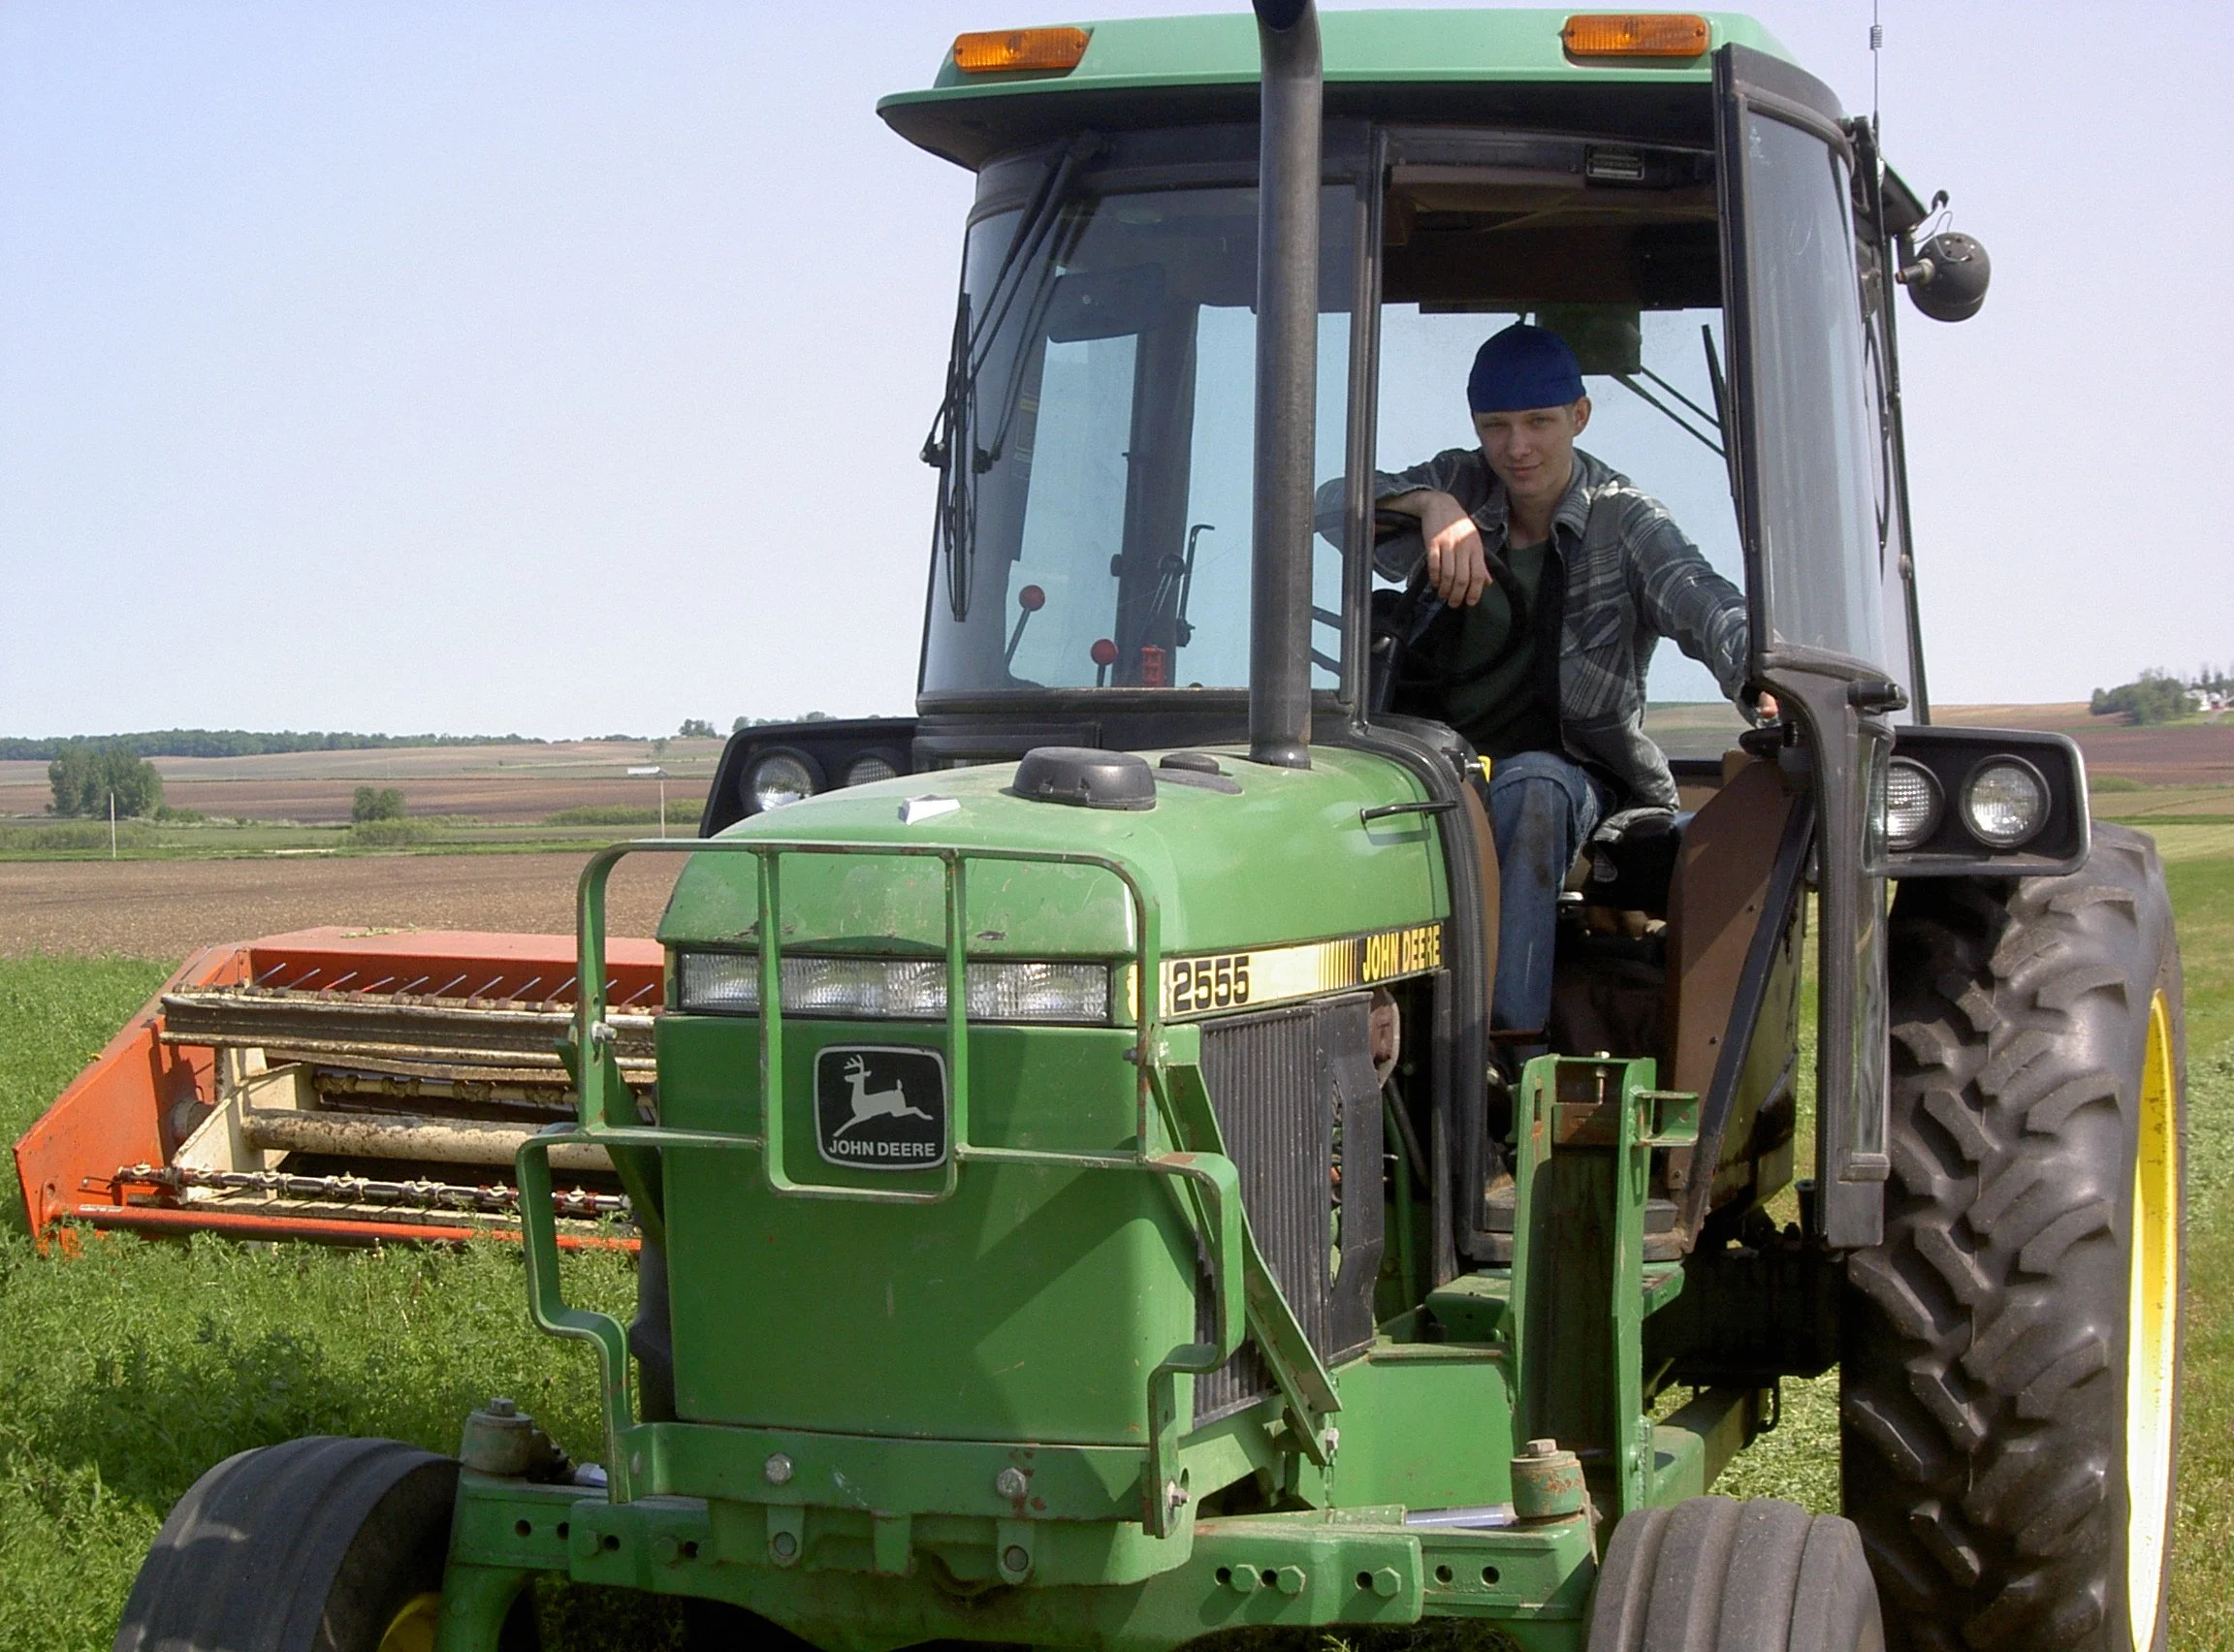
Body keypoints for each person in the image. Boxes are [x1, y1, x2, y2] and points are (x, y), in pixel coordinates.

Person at [1316, 322, 1770, 1058]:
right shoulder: (1458, 482)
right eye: (1496, 426)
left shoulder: (1625, 522)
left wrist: (1760, 676)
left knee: (1530, 785)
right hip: (1435, 769)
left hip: (1572, 780)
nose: (1516, 447)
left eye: (1538, 423)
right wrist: (1427, 507)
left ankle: (1499, 1050)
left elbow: (1704, 600)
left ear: (1579, 417)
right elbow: (1327, 502)